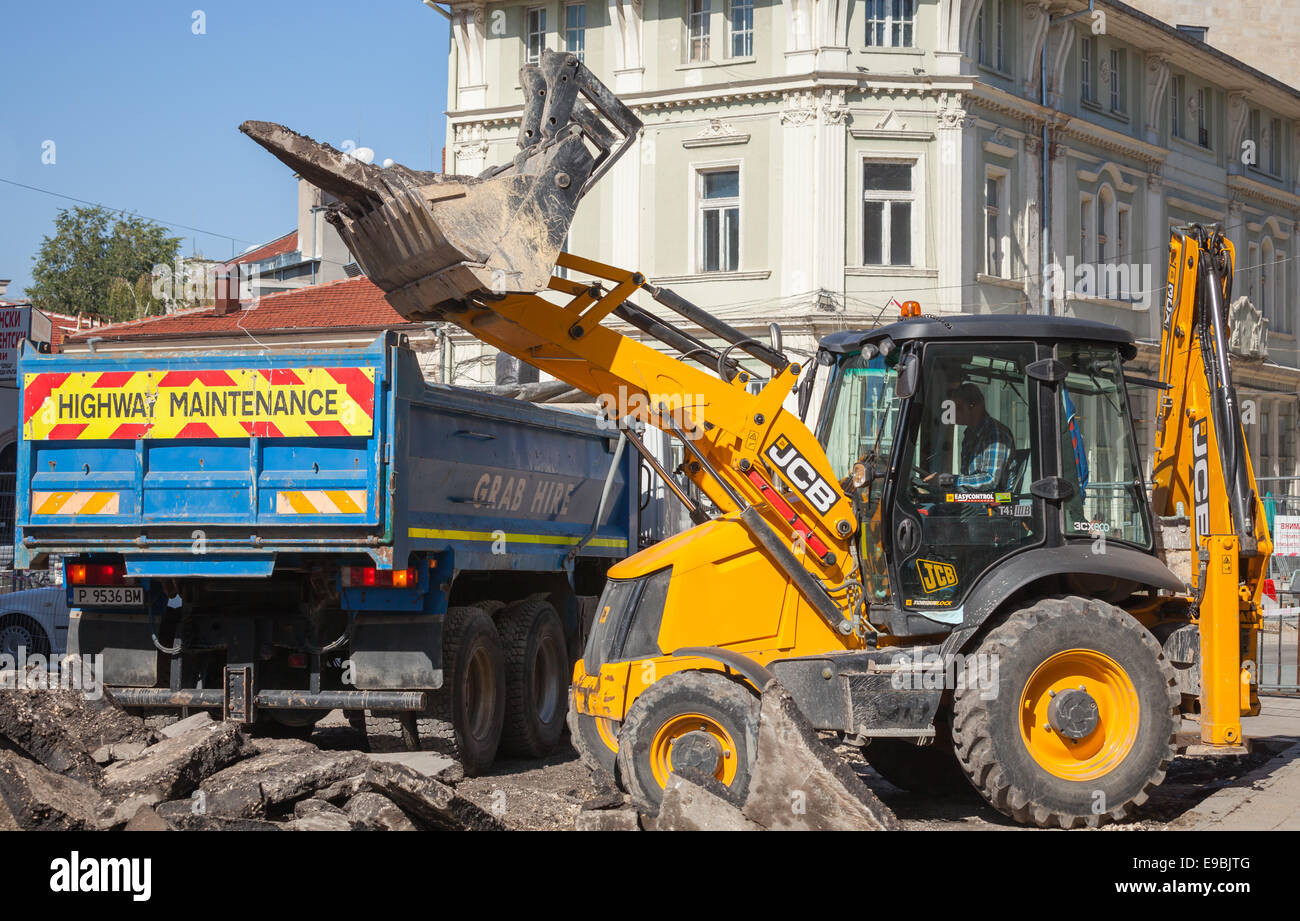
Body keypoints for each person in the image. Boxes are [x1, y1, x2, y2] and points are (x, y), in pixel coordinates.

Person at [925, 382, 1014, 492]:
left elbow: (990, 480)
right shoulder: (969, 434)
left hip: (995, 505)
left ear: (975, 407)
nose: (953, 413)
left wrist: (949, 480)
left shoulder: (996, 434)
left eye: (958, 407)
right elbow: (968, 478)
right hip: (974, 501)